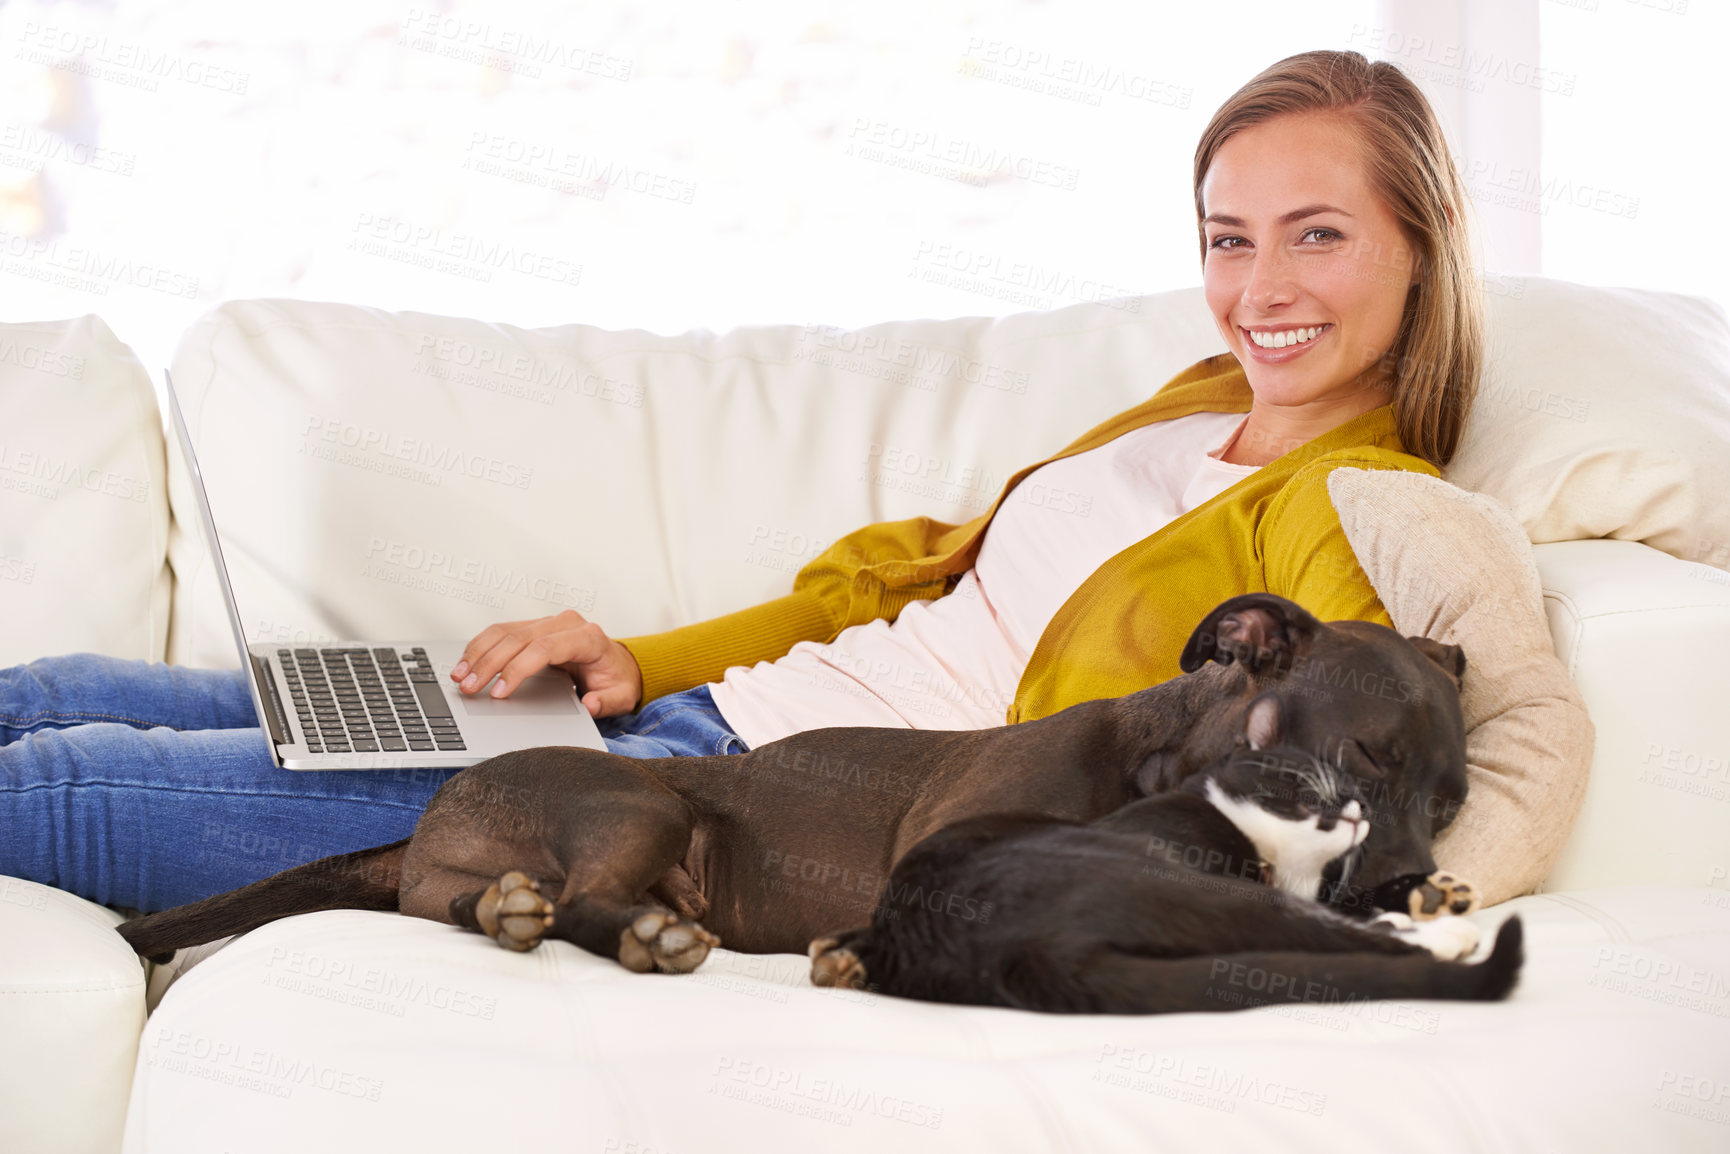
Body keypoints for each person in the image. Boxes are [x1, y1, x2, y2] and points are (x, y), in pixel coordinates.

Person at [0, 49, 1483, 914]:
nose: (1258, 286)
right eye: (1228, 238)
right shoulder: (1197, 402)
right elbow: (899, 601)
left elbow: (1329, 769)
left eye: (1315, 235)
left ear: (1419, 243)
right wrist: (637, 659)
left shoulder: (1357, 513)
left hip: (719, 797)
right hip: (666, 716)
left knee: (66, 792)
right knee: (57, 688)